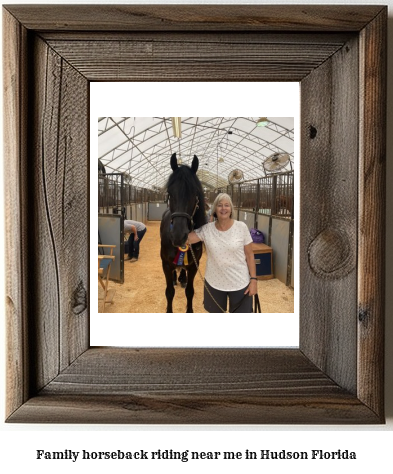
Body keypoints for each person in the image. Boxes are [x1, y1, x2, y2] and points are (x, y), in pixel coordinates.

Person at [187, 193, 258, 313]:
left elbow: (250, 256)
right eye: (220, 205)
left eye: (227, 205)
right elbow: (185, 239)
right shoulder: (207, 229)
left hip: (239, 283)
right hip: (214, 283)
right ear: (215, 209)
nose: (223, 208)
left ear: (231, 209)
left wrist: (254, 280)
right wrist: (176, 219)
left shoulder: (241, 227)